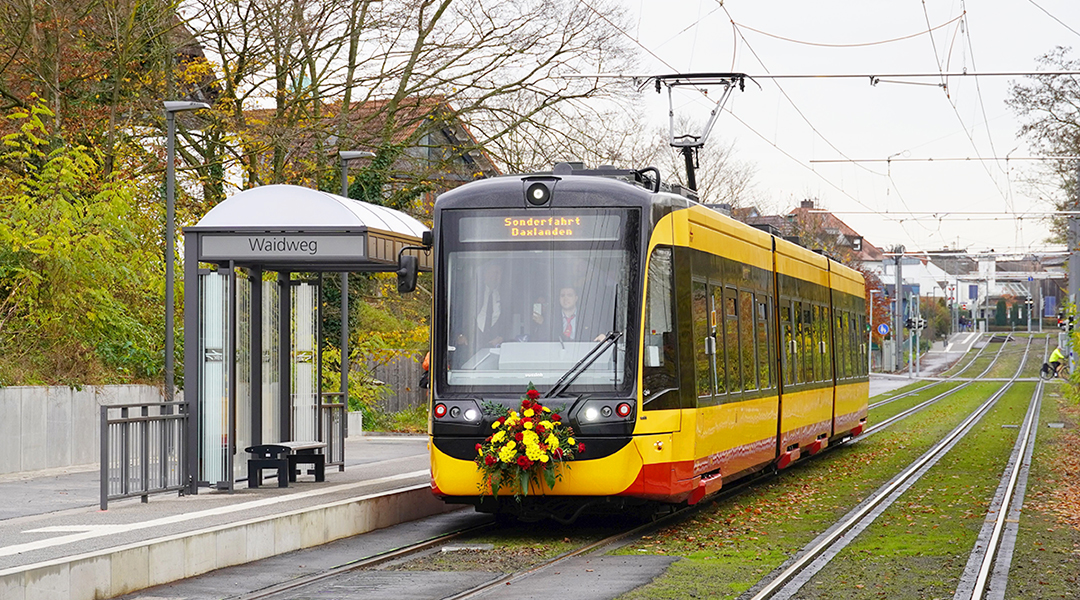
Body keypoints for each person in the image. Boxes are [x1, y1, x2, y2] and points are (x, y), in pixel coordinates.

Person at [534, 285, 605, 342]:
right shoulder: (550, 319)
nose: (565, 298)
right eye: (562, 295)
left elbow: (597, 335)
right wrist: (543, 323)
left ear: (576, 298)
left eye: (569, 295)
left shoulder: (588, 318)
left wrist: (602, 335)